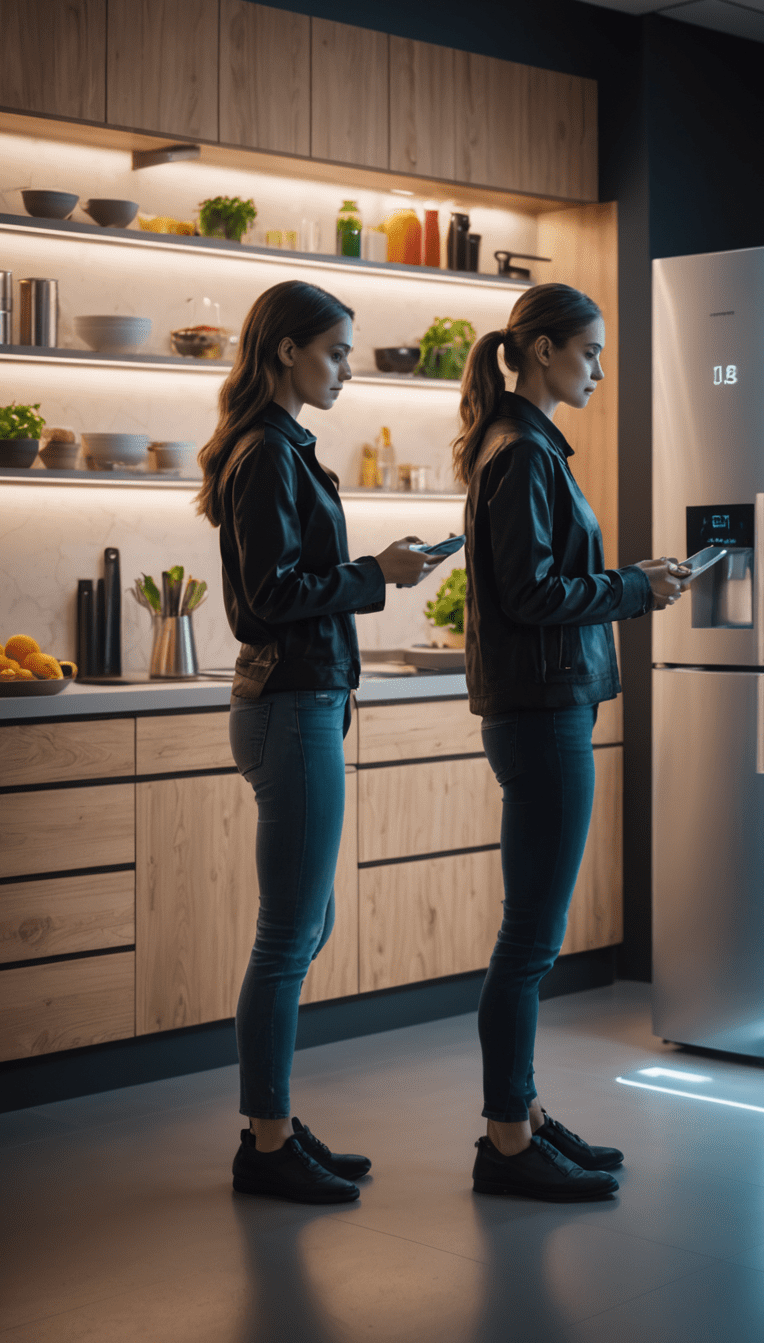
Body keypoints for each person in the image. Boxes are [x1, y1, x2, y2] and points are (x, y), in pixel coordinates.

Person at [198, 280, 447, 1204]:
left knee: (306, 925)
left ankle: (271, 1121)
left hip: (301, 705)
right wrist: (373, 574)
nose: (345, 367)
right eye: (335, 351)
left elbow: (290, 582)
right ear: (285, 352)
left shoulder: (280, 449)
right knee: (288, 933)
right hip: (289, 707)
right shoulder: (267, 452)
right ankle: (265, 1143)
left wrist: (371, 575)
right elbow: (270, 597)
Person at [455, 282, 684, 1201]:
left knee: (531, 936)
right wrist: (635, 587)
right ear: (543, 351)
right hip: (544, 716)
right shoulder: (521, 454)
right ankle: (508, 1142)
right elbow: (533, 596)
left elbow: (539, 586)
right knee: (531, 942)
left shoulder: (526, 447)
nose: (597, 368)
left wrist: (634, 582)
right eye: (589, 351)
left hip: (550, 710)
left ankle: (527, 1119)